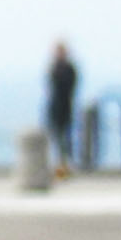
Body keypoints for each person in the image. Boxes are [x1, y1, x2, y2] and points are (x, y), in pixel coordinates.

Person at [45, 42, 78, 174]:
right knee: (55, 138)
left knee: (65, 140)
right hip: (54, 109)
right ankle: (57, 167)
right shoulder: (54, 67)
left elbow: (70, 88)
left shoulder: (69, 69)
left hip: (65, 109)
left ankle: (65, 167)